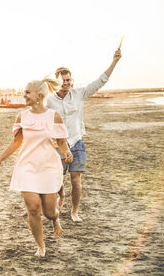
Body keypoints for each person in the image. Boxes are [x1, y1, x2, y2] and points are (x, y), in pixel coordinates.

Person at [0, 78, 73, 257]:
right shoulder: (22, 117)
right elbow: (16, 141)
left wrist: (66, 152)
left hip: (49, 167)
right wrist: (0, 159)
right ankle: (41, 246)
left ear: (39, 96)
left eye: (28, 92)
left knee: (49, 212)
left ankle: (55, 219)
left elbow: (61, 142)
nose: (24, 95)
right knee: (33, 208)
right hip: (27, 167)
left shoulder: (54, 116)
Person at [47, 48, 122, 222]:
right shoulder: (49, 100)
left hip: (76, 143)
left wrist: (114, 61)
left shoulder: (79, 94)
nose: (66, 83)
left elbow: (100, 81)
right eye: (63, 80)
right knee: (57, 181)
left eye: (68, 80)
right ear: (56, 82)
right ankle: (61, 197)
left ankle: (74, 212)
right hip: (57, 146)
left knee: (76, 181)